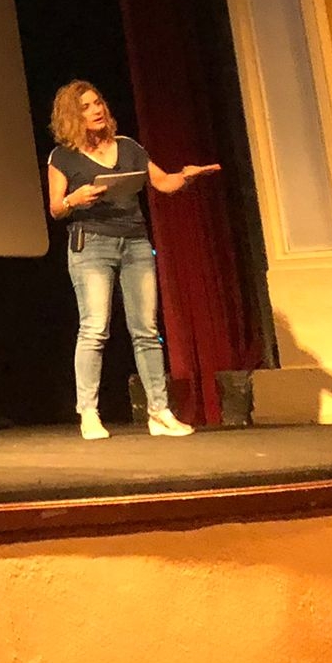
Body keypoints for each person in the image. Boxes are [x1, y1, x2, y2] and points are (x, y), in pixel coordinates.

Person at [44, 80, 220, 441]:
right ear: (71, 116)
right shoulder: (62, 157)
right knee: (94, 329)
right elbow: (56, 208)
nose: (96, 110)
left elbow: (163, 183)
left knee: (146, 331)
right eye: (86, 107)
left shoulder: (128, 148)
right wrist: (76, 199)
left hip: (135, 243)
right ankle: (88, 413)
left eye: (98, 102)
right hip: (91, 245)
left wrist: (186, 177)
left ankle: (159, 412)